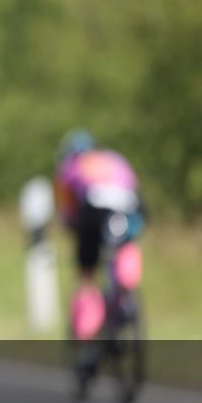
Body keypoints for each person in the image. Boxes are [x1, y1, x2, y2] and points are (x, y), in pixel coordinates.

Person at [54, 129, 145, 341]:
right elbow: (135, 188)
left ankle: (87, 328)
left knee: (87, 270)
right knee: (124, 247)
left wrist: (71, 227)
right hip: (129, 209)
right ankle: (124, 298)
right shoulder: (114, 159)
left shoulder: (70, 167)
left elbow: (68, 210)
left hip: (94, 211)